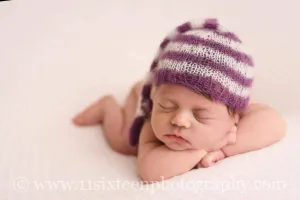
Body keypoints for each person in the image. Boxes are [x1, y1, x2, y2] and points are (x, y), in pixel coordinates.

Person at [72, 18, 286, 182]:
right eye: (167, 106)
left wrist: (222, 149)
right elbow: (151, 171)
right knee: (123, 142)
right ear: (157, 98)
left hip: (175, 91)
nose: (179, 120)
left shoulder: (232, 104)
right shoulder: (152, 124)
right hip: (141, 99)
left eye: (200, 114)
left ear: (235, 116)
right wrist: (206, 147)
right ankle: (107, 106)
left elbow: (275, 124)